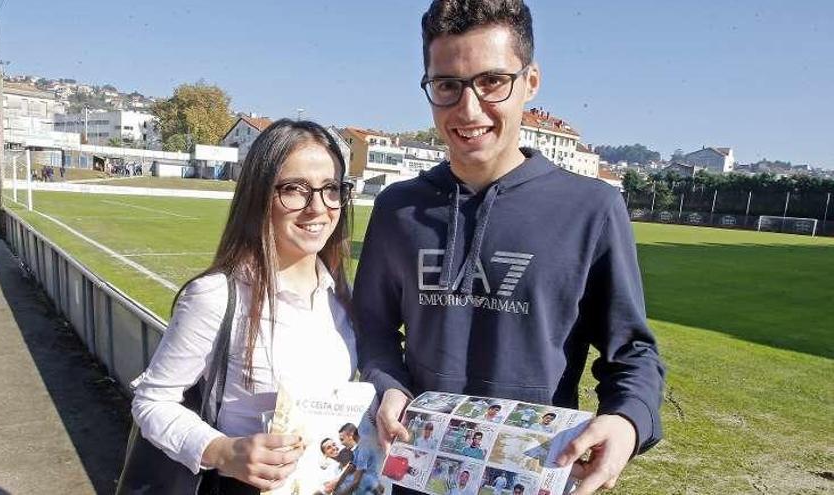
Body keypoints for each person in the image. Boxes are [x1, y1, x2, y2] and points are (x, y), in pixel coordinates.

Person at [353, 1, 665, 494]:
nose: (468, 108)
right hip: (411, 472)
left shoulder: (592, 208)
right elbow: (372, 329)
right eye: (447, 85)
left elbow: (632, 352)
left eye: (492, 81)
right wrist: (388, 383)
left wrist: (627, 422)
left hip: (532, 473)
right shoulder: (397, 209)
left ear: (531, 81)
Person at [130, 119, 357, 493]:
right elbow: (152, 402)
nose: (318, 208)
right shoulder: (216, 295)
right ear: (259, 195)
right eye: (295, 189)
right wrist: (222, 451)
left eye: (331, 189)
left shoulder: (341, 297)